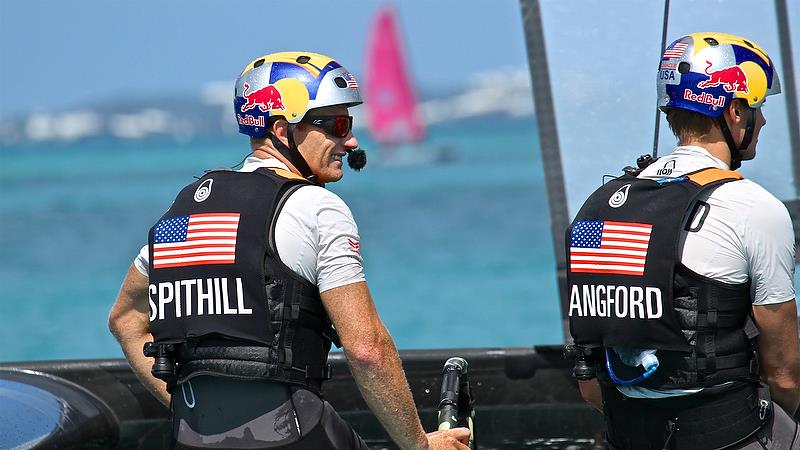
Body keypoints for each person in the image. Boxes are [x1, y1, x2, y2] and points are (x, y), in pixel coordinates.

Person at [109, 51, 470, 450]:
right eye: (335, 123)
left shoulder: (184, 211)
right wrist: (420, 445)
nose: (349, 140)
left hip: (191, 438)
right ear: (283, 131)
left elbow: (124, 319)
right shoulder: (317, 207)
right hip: (292, 435)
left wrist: (186, 406)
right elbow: (367, 350)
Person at [565, 33, 800, 449]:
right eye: (758, 108)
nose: (762, 121)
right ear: (734, 112)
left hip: (629, 433)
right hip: (729, 431)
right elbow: (784, 374)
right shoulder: (753, 208)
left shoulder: (598, 205)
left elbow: (589, 381)